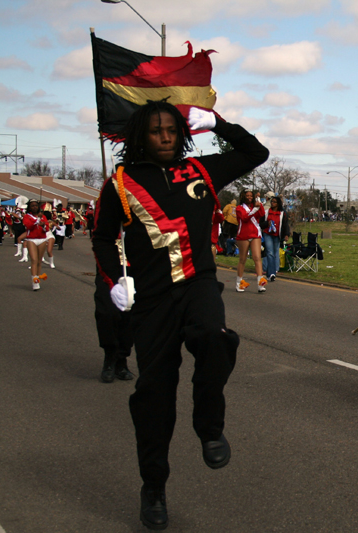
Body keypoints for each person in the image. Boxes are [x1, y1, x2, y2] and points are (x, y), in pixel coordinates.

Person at [92, 100, 269, 530]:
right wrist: (115, 279)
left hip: (198, 284)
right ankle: (153, 487)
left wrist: (220, 123)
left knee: (214, 336)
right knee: (154, 398)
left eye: (172, 129)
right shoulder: (119, 183)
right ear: (140, 136)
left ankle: (209, 427)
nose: (166, 137)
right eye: (155, 131)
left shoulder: (202, 171)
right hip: (151, 302)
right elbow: (100, 238)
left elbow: (255, 154)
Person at [234, 189, 266, 292]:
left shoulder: (254, 206)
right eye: (247, 196)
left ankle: (260, 283)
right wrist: (255, 210)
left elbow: (261, 213)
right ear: (243, 197)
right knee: (242, 259)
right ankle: (239, 283)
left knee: (257, 257)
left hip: (255, 234)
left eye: (251, 196)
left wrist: (258, 200)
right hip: (243, 235)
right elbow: (244, 218)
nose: (249, 197)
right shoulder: (239, 208)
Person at [22, 199, 50, 291]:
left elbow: (47, 229)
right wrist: (37, 220)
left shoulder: (43, 217)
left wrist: (43, 225)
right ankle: (34, 281)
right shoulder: (27, 216)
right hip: (31, 239)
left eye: (36, 205)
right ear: (29, 207)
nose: (34, 207)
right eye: (32, 206)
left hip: (42, 239)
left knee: (39, 261)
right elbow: (28, 226)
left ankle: (37, 278)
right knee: (34, 260)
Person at [263, 196, 289, 281]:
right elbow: (261, 223)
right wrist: (267, 223)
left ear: (278, 204)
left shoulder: (282, 213)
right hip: (268, 234)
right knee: (269, 253)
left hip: (277, 235)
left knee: (275, 254)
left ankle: (270, 273)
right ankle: (272, 273)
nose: (272, 203)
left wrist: (286, 234)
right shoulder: (267, 212)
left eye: (274, 202)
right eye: (272, 202)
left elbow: (285, 225)